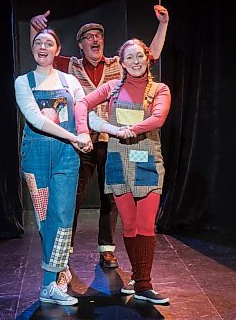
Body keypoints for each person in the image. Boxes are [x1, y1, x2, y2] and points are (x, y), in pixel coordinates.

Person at [30, 5, 169, 274]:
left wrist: (162, 25)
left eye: (99, 36)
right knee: (74, 195)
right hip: (81, 141)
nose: (95, 40)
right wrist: (34, 30)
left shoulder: (120, 64)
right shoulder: (69, 65)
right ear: (80, 44)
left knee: (112, 198)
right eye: (89, 37)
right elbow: (43, 56)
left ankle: (107, 250)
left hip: (112, 140)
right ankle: (65, 251)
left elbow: (150, 55)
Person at [74, 38, 171, 304]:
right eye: (129, 58)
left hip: (147, 162)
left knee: (145, 224)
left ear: (147, 58)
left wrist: (130, 130)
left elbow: (157, 118)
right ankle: (138, 281)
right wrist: (89, 130)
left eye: (139, 56)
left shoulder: (159, 89)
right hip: (118, 162)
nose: (135, 62)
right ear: (122, 62)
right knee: (128, 225)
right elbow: (81, 104)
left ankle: (143, 283)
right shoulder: (112, 88)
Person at [14, 28, 93, 305]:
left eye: (49, 43)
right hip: (35, 157)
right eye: (38, 42)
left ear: (57, 50)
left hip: (65, 157)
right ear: (33, 49)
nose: (43, 46)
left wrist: (88, 132)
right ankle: (57, 275)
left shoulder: (70, 81)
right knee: (45, 218)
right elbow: (35, 119)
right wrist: (75, 136)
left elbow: (84, 114)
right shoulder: (23, 82)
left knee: (61, 217)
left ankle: (50, 283)